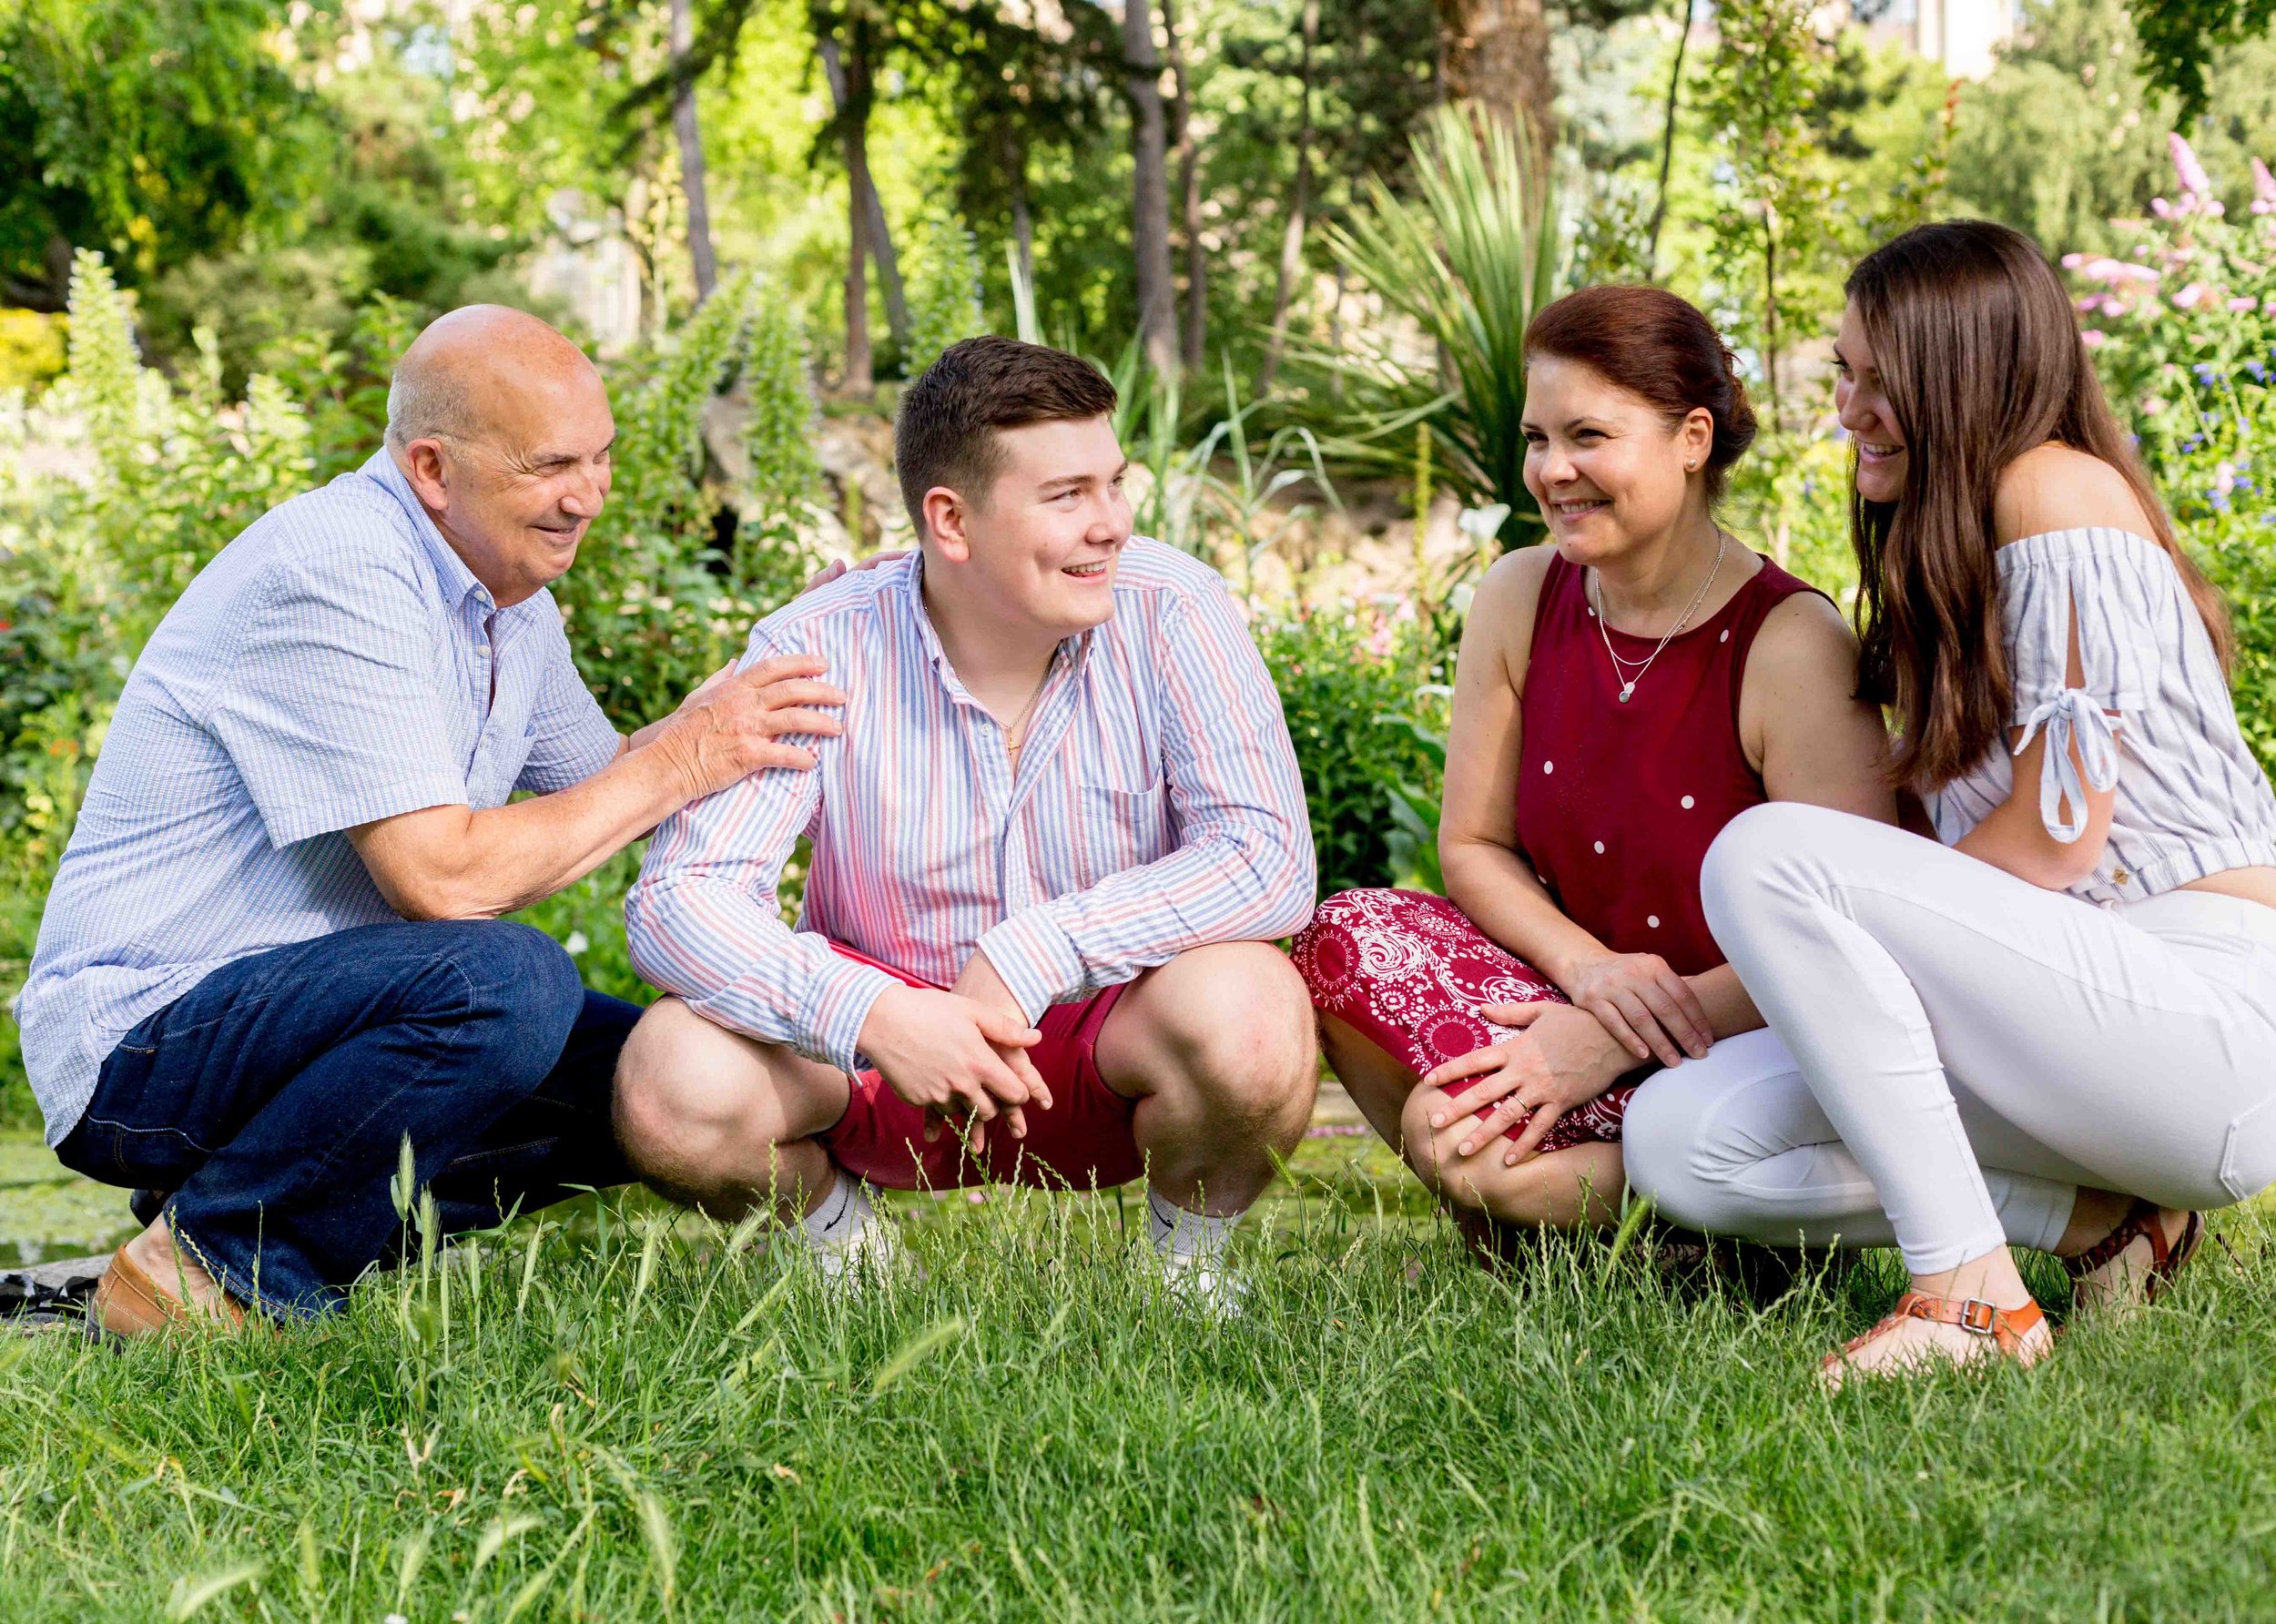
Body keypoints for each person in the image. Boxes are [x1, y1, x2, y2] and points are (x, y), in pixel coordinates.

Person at [19, 306, 846, 1334]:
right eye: (551, 465)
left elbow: (605, 786)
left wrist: (754, 692)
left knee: (648, 1086)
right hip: (143, 1040)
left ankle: (231, 1211)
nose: (587, 494)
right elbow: (441, 879)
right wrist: (689, 751)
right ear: (431, 468)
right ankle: (216, 1268)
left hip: (303, 1021)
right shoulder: (340, 569)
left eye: (601, 457)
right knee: (506, 980)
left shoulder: (508, 602)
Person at [1622, 219, 2276, 1384]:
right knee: (1682, 1140)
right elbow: (1927, 889)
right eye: (1844, 371)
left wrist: (1827, 920)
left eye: (1882, 381)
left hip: (2208, 1023)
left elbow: (2056, 839)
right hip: (2065, 1022)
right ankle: (2111, 1230)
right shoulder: (1947, 549)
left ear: (1965, 377)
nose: (1847, 408)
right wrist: (1666, 1017)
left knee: (1764, 854)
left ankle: (1967, 1301)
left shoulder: (2055, 490)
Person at [612, 336, 1318, 1309]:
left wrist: (1039, 948)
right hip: (873, 1060)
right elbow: (678, 899)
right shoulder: (818, 643)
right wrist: (870, 1013)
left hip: (1104, 1042)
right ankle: (839, 1246)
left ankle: (1186, 1264)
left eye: (1114, 482)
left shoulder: (1176, 609)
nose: (1111, 523)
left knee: (1253, 1008)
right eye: (1067, 495)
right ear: (950, 519)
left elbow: (1266, 857)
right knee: (667, 1078)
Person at [1292, 286, 1895, 1235]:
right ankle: (1551, 1224)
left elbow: (1850, 932)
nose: (1553, 470)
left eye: (1587, 436)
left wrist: (1616, 1033)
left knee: (1463, 1146)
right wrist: (1590, 977)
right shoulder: (1520, 592)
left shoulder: (1788, 643)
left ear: (1692, 437)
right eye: (1537, 438)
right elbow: (1475, 845)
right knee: (1346, 933)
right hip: (1571, 995)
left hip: (1737, 1040)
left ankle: (1696, 1229)